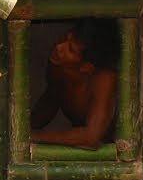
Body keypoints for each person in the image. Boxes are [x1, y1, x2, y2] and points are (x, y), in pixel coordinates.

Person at [29, 19, 119, 149]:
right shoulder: (59, 64)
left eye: (70, 50)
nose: (59, 47)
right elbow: (52, 97)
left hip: (107, 154)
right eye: (66, 37)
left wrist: (34, 136)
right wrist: (24, 131)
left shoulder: (105, 79)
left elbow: (90, 137)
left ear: (87, 68)